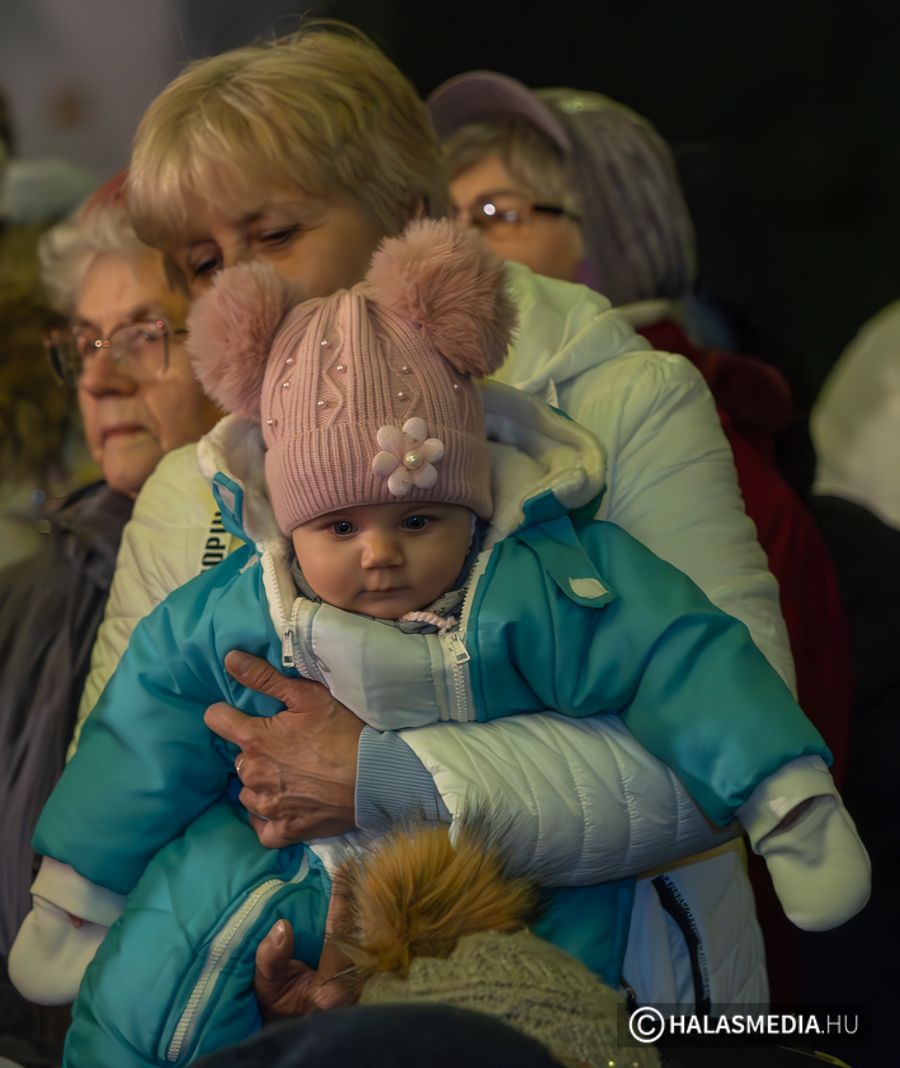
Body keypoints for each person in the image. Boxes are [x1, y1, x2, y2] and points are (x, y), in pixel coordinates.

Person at [11, 222, 866, 1066]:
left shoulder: (541, 585)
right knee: (163, 957)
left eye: (418, 519)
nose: (380, 554)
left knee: (545, 1003)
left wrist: (783, 796)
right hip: (281, 864)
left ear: (472, 505)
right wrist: (82, 887)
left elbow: (680, 658)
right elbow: (143, 731)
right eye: (340, 527)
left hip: (497, 884)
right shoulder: (237, 610)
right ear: (287, 523)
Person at [75, 21, 796, 1018]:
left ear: (404, 213)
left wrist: (387, 776)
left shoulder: (622, 401)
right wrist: (267, 966)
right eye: (203, 262)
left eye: (274, 235)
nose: (242, 284)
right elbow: (118, 794)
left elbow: (740, 752)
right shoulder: (191, 485)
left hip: (626, 1013)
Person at [427, 71, 852, 784]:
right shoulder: (476, 419)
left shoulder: (684, 431)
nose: (457, 246)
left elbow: (744, 743)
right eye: (449, 214)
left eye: (499, 213)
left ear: (612, 242)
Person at [0, 175, 222, 1063]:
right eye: (85, 343)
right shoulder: (28, 592)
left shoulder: (308, 569)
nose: (97, 378)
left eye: (141, 334)